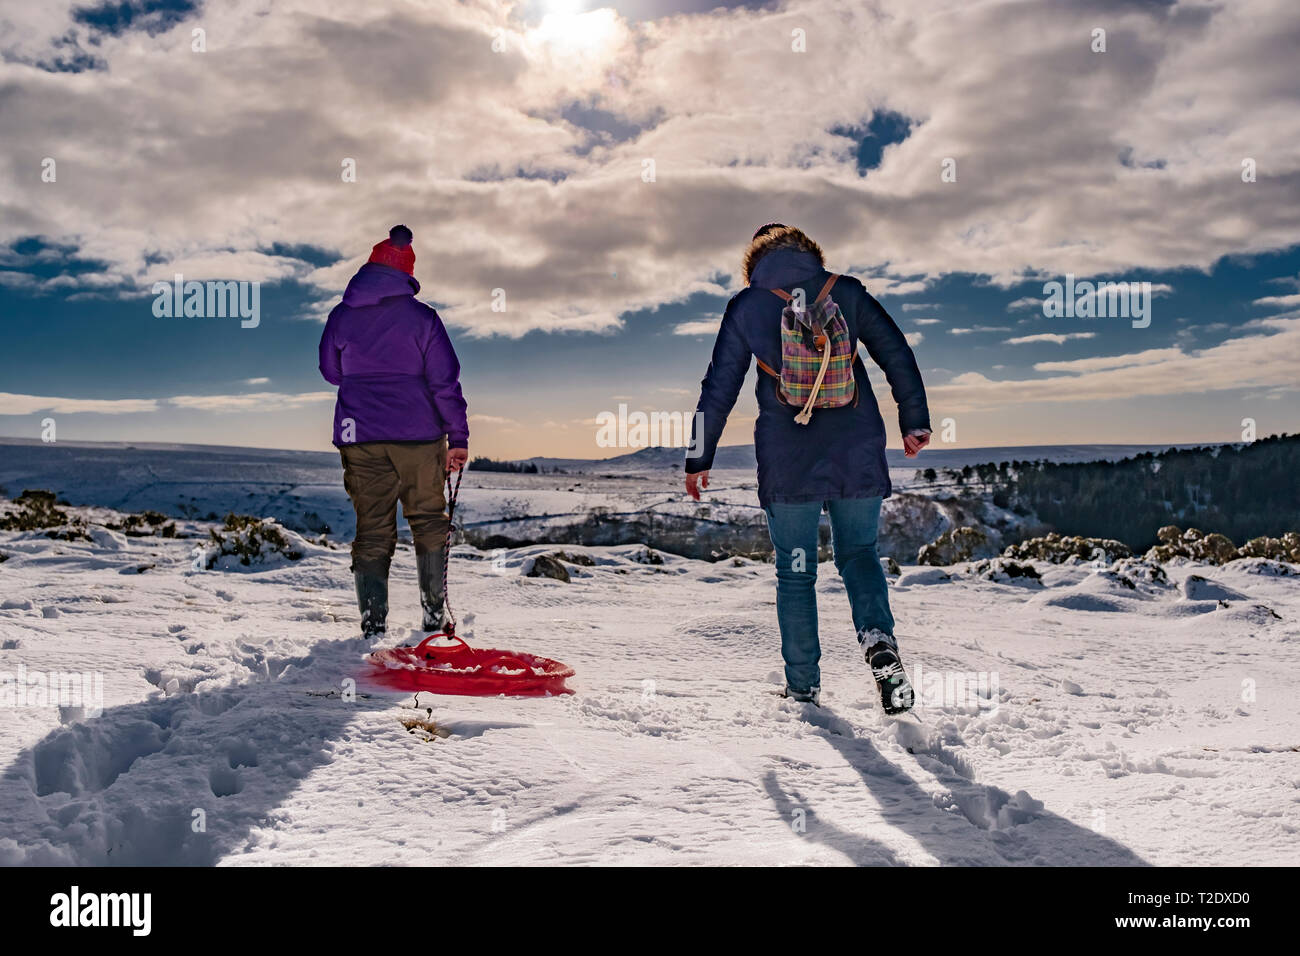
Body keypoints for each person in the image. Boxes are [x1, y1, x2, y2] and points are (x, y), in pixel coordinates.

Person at [685, 224, 930, 711]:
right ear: (810, 252)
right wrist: (914, 420)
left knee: (796, 573)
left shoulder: (746, 307)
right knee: (859, 554)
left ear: (754, 263)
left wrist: (699, 455)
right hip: (857, 447)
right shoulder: (847, 291)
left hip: (787, 456)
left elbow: (719, 387)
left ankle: (803, 689)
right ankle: (879, 643)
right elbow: (896, 354)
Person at [318, 225, 469, 639]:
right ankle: (433, 617)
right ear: (406, 274)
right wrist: (458, 438)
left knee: (372, 528)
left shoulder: (341, 316)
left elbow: (332, 372)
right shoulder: (423, 319)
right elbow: (445, 383)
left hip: (359, 435)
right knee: (427, 519)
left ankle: (372, 624)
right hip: (418, 435)